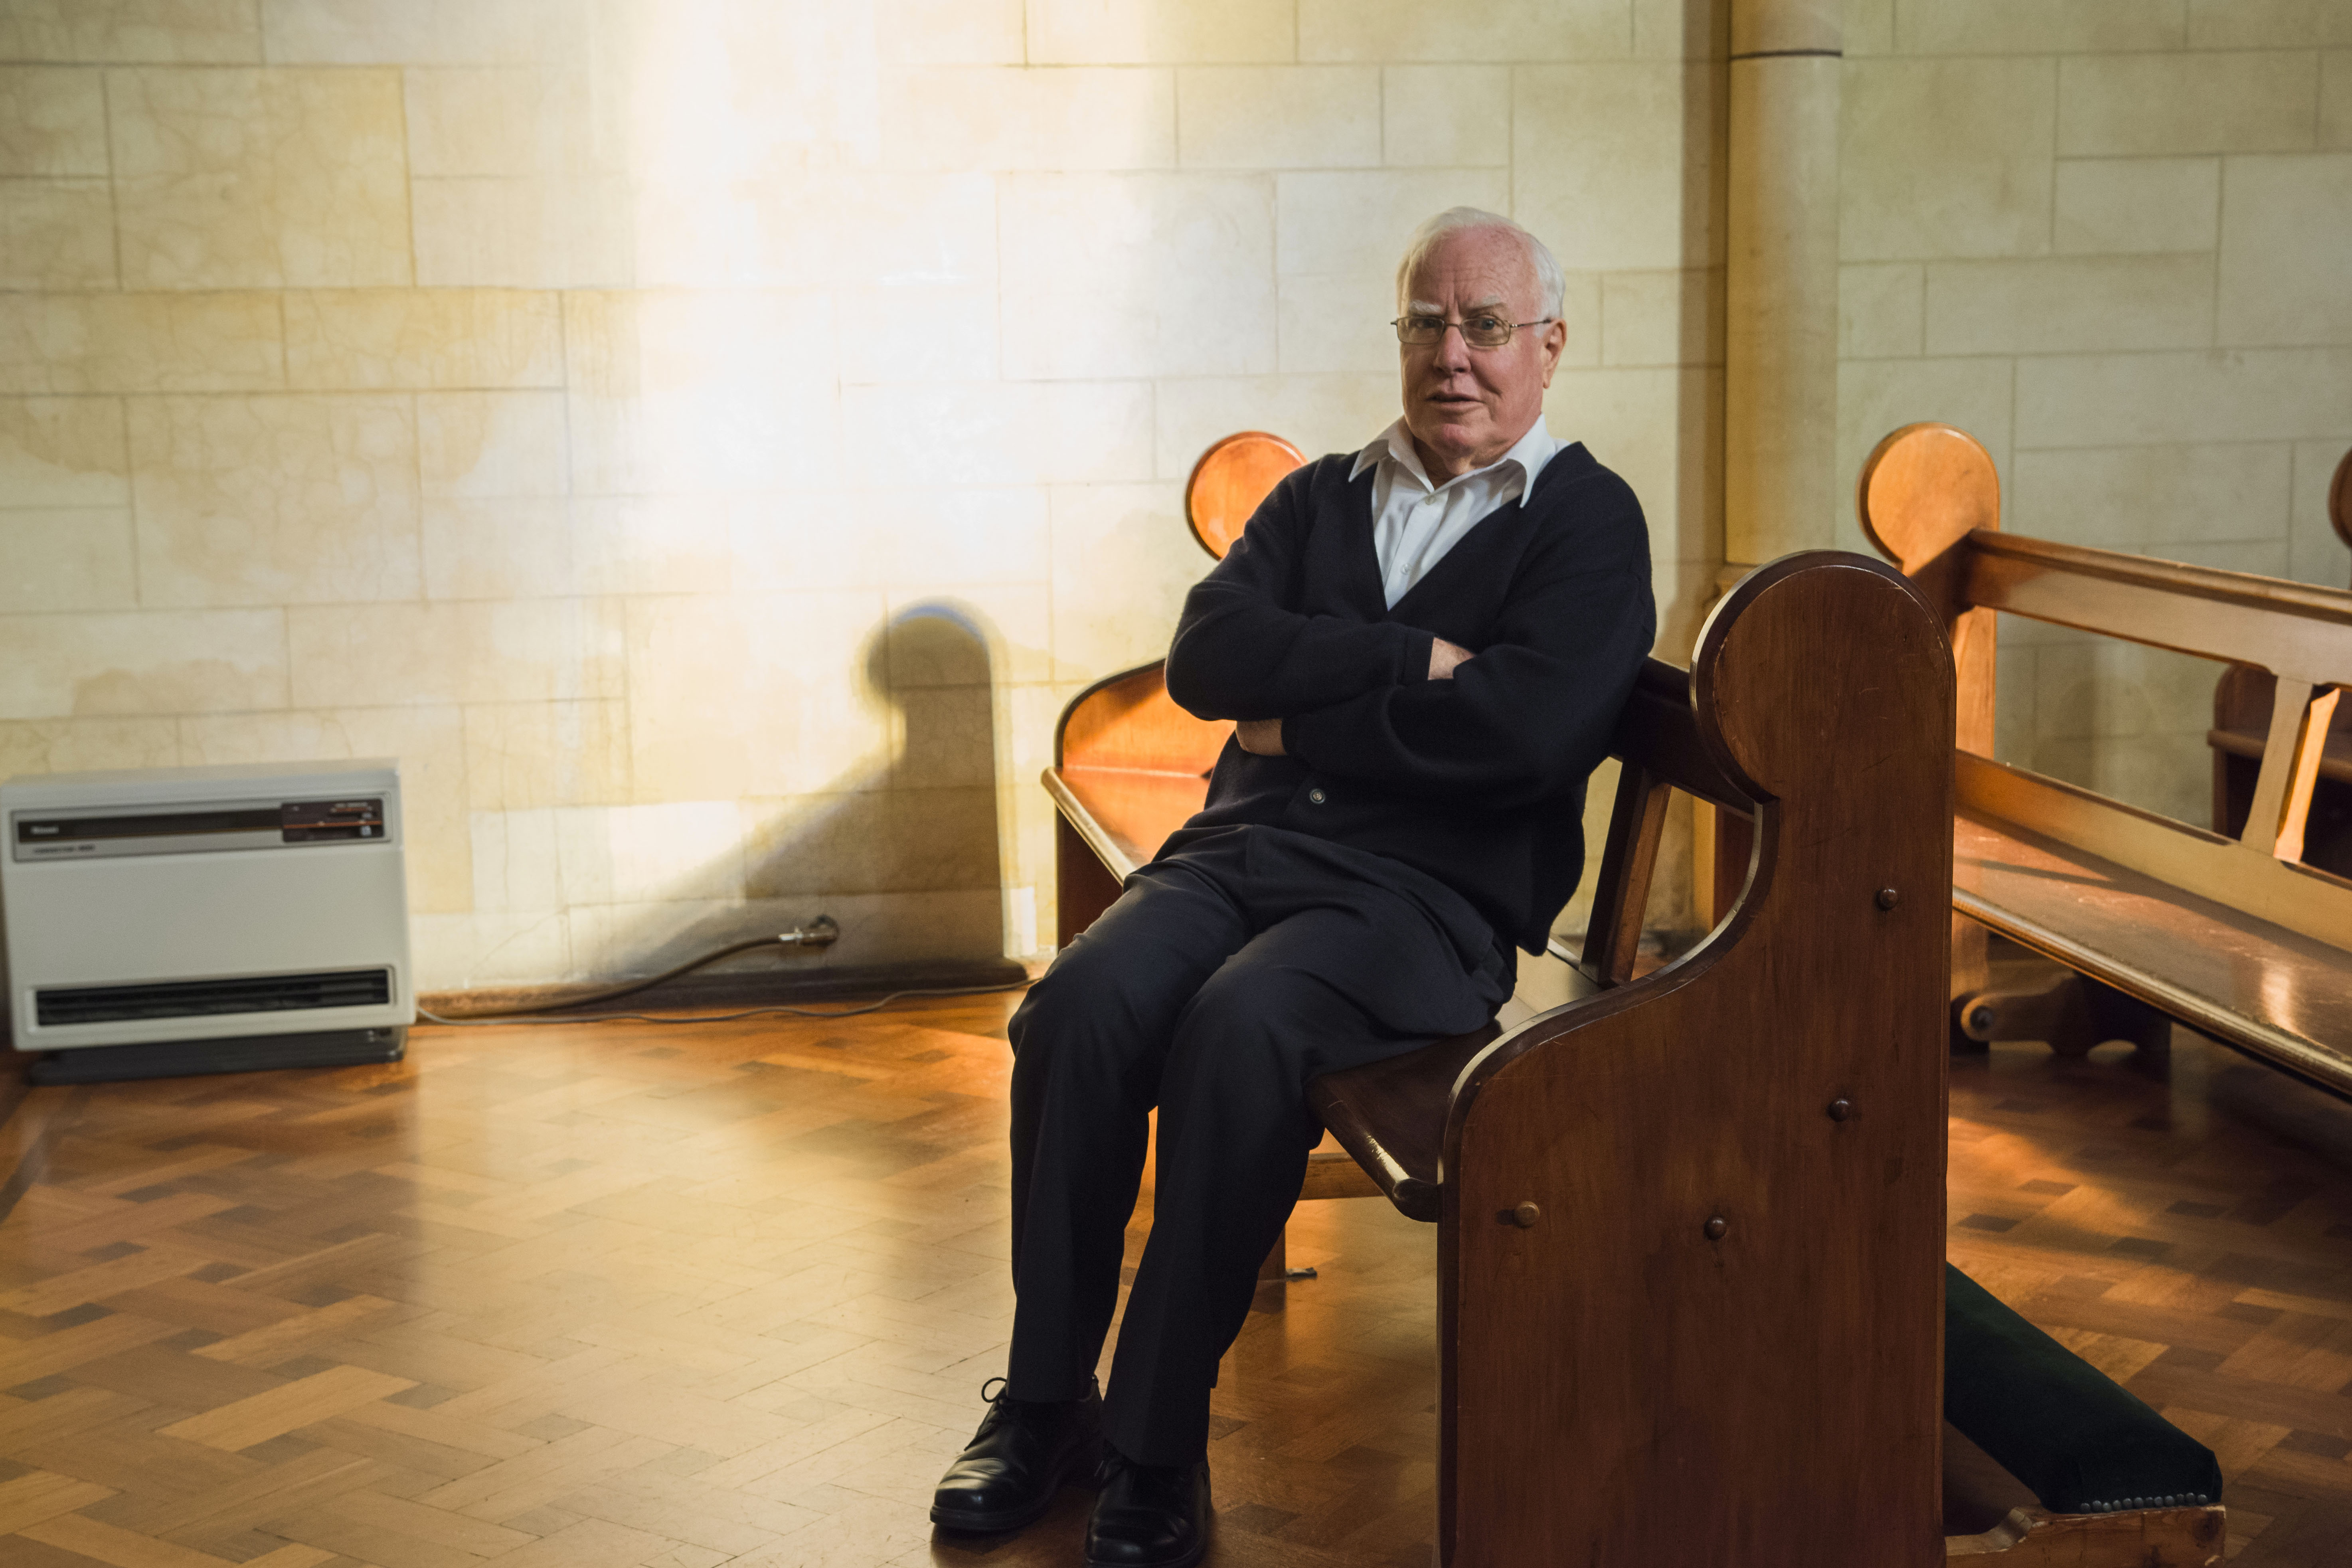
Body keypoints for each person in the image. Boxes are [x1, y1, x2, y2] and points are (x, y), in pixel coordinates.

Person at [930, 207, 1656, 1568]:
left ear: (1549, 347)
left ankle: (1153, 1434)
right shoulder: (1324, 490)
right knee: (1075, 1008)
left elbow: (1525, 736)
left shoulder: (1587, 522)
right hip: (1236, 861)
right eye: (1428, 323)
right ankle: (1045, 1404)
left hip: (1420, 905)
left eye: (1487, 326)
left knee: (1242, 1028)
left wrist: (1298, 715)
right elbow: (1210, 657)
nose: (1455, 353)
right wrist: (1408, 665)